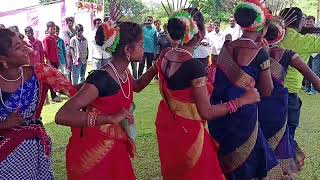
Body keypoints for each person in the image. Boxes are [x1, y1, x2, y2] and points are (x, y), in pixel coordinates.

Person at [155, 7, 260, 179]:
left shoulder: (166, 55)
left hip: (168, 127)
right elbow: (207, 112)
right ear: (199, 32)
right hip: (189, 133)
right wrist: (243, 100)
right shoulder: (193, 66)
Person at [55, 20, 157, 180]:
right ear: (127, 49)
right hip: (93, 152)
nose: (144, 49)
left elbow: (136, 86)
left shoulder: (123, 73)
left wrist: (155, 67)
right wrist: (109, 118)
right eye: (141, 45)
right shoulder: (102, 78)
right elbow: (62, 115)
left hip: (115, 146)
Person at [208, 2, 283, 179]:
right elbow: (266, 92)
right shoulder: (260, 53)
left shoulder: (226, 47)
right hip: (245, 116)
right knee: (247, 165)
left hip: (221, 113)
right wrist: (266, 56)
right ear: (262, 27)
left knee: (226, 160)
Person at [0, 28, 75, 179]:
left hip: (35, 154)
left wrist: (100, 82)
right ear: (3, 59)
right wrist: (4, 125)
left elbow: (74, 92)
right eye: (18, 47)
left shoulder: (41, 73)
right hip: (4, 160)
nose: (27, 49)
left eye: (22, 43)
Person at [261, 20, 320, 176]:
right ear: (280, 35)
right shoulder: (285, 54)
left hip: (255, 107)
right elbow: (315, 80)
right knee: (284, 143)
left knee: (262, 145)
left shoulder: (245, 51)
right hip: (283, 104)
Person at [278, 7, 320, 164]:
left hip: (269, 89)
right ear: (301, 21)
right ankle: (285, 166)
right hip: (289, 94)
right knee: (288, 131)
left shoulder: (274, 35)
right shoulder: (301, 41)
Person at [301, 16, 320, 95]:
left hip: (316, 54)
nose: (308, 23)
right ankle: (306, 87)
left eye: (310, 22)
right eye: (307, 21)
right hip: (306, 52)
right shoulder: (303, 30)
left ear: (314, 22)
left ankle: (314, 89)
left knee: (315, 70)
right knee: (306, 70)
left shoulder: (318, 30)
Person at [43, 21, 61, 103]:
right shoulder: (46, 39)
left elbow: (56, 51)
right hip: (50, 62)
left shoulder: (54, 38)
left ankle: (55, 95)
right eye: (51, 29)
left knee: (55, 79)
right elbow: (46, 52)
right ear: (47, 29)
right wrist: (48, 62)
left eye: (54, 29)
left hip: (55, 61)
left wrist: (58, 61)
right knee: (51, 80)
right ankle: (53, 96)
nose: (53, 30)